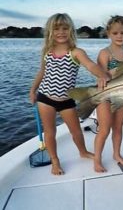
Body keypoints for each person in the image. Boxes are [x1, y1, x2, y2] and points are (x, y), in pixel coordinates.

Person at [29, 13, 110, 175]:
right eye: (57, 28)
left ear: (71, 31)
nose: (61, 32)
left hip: (66, 100)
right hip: (45, 98)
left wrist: (102, 75)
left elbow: (90, 65)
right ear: (50, 31)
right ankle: (55, 161)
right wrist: (33, 90)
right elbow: (42, 72)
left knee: (76, 131)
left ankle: (82, 151)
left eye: (65, 28)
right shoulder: (47, 51)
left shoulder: (76, 52)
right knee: (50, 132)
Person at [94, 15, 123, 172]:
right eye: (115, 33)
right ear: (108, 33)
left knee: (118, 128)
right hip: (105, 96)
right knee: (104, 129)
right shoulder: (105, 53)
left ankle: (117, 154)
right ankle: (97, 159)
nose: (119, 36)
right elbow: (100, 74)